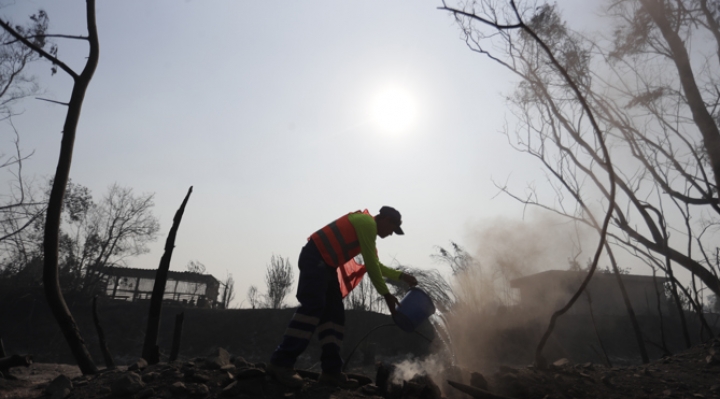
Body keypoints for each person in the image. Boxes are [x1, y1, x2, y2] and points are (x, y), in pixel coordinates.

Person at [267, 206, 418, 388]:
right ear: (385, 220)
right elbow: (371, 266)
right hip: (315, 258)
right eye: (393, 229)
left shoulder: (367, 231)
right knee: (313, 307)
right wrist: (386, 295)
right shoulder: (367, 224)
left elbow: (376, 265)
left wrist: (401, 276)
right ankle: (281, 362)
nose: (391, 234)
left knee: (335, 316)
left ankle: (331, 372)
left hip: (326, 266)